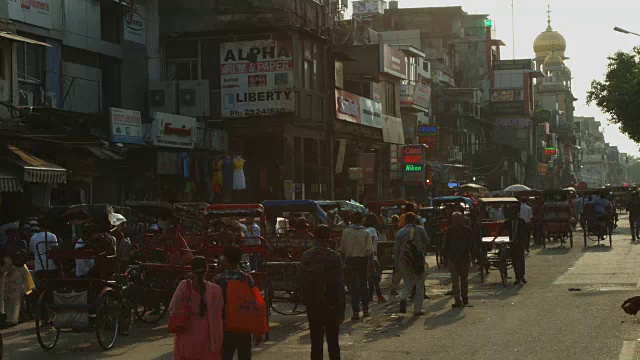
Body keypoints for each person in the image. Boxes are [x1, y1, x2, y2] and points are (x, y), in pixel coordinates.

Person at [298, 225, 346, 360]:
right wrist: (341, 309)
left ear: (314, 237)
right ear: (328, 237)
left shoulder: (306, 256)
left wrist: (305, 300)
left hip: (313, 304)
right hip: (331, 304)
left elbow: (301, 281)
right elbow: (339, 284)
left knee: (316, 342)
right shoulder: (334, 256)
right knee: (333, 343)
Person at [170, 256, 224, 360]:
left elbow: (172, 308)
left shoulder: (184, 286)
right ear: (207, 269)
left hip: (187, 336)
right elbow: (219, 315)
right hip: (209, 338)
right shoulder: (215, 290)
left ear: (192, 269)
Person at [214, 246, 261, 360]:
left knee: (226, 355)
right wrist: (258, 329)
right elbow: (256, 304)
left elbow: (213, 304)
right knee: (244, 355)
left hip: (226, 325)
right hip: (243, 325)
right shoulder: (247, 279)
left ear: (227, 261)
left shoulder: (219, 279)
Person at [339, 212, 373, 320]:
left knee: (353, 286)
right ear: (362, 220)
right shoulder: (366, 232)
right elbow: (369, 250)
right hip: (362, 260)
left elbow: (342, 249)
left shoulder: (346, 231)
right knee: (364, 285)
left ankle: (355, 312)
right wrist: (371, 264)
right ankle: (366, 310)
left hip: (350, 261)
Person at [394, 212, 429, 315]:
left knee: (407, 282)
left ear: (405, 220)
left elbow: (396, 249)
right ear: (414, 220)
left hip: (404, 260)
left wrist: (396, 262)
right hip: (418, 260)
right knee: (419, 284)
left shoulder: (400, 232)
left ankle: (403, 298)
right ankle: (417, 309)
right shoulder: (420, 229)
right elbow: (427, 241)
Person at [443, 213, 474, 308]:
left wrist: (446, 257)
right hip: (461, 258)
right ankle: (463, 298)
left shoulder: (450, 231)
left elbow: (445, 246)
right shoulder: (466, 230)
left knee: (456, 280)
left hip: (456, 258)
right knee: (463, 279)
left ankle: (459, 299)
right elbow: (471, 245)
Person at [493, 204, 528, 285]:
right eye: (513, 211)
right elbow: (501, 230)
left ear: (518, 213)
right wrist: (495, 238)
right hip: (512, 244)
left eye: (516, 212)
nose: (514, 213)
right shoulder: (508, 222)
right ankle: (517, 278)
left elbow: (525, 232)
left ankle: (522, 276)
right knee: (515, 261)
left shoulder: (521, 221)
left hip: (520, 243)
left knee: (521, 261)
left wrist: (525, 242)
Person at [29, 219, 58, 289]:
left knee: (40, 288)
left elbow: (32, 252)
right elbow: (55, 252)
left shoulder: (33, 238)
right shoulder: (52, 236)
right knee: (51, 288)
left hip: (38, 267)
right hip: (51, 266)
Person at [364, 213, 385, 303]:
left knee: (372, 277)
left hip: (368, 255)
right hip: (372, 255)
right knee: (375, 276)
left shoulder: (365, 229)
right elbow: (371, 243)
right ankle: (379, 295)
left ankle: (370, 296)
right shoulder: (372, 230)